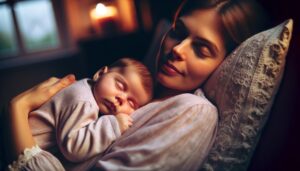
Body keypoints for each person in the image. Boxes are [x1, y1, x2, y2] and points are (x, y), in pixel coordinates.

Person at [3, 0, 269, 170]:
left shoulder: (192, 112)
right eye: (177, 31)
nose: (177, 48)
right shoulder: (142, 90)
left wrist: (17, 110)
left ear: (226, 61)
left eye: (201, 49)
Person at [2, 58, 153, 166]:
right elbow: (73, 148)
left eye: (131, 102)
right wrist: (112, 125)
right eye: (120, 86)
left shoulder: (86, 91)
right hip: (12, 152)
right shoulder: (83, 101)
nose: (121, 98)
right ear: (100, 73)